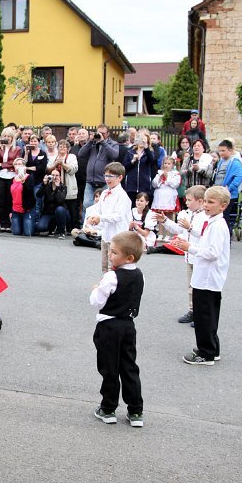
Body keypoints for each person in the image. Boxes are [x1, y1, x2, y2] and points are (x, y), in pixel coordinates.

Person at [170, 186, 231, 365]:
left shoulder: (218, 226)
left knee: (204, 316)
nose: (206, 205)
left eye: (211, 202)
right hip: (206, 276)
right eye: (205, 201)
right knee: (208, 315)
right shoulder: (212, 222)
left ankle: (206, 353)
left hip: (208, 278)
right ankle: (212, 348)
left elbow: (213, 252)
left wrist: (190, 248)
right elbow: (205, 240)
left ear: (223, 206)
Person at [90, 231, 145, 427]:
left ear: (129, 257)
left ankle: (108, 408)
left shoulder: (111, 276)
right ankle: (135, 410)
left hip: (109, 326)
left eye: (114, 252)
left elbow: (97, 302)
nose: (110, 255)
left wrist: (96, 289)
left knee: (109, 368)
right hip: (128, 325)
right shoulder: (139, 275)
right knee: (129, 367)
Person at [154, 185, 208, 326]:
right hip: (189, 256)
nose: (187, 203)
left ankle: (200, 314)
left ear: (200, 201)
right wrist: (165, 221)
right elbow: (178, 229)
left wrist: (190, 227)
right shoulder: (187, 214)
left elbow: (203, 234)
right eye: (186, 200)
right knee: (191, 286)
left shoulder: (206, 216)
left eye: (190, 200)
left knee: (200, 288)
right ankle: (192, 310)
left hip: (200, 256)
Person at [85, 162, 132, 273]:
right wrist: (91, 217)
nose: (107, 179)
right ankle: (105, 282)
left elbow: (118, 216)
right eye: (105, 175)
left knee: (115, 267)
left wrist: (100, 218)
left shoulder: (122, 196)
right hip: (106, 235)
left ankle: (115, 283)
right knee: (105, 265)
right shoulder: (104, 193)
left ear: (120, 177)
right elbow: (98, 209)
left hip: (118, 236)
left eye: (111, 176)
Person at [80, 125, 119, 210]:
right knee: (87, 205)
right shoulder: (93, 143)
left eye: (103, 133)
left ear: (108, 133)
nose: (100, 135)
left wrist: (103, 142)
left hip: (105, 181)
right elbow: (81, 154)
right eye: (99, 133)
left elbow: (114, 155)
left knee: (104, 206)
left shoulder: (113, 144)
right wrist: (90, 141)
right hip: (90, 180)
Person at [0, 127, 22, 232]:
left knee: (9, 200)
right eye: (5, 136)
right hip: (0, 176)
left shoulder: (17, 149)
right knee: (1, 201)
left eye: (9, 136)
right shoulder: (0, 148)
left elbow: (15, 162)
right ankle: (3, 224)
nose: (7, 138)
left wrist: (2, 165)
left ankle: (9, 224)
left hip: (11, 176)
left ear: (12, 137)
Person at [213, 140, 242, 234]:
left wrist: (229, 188)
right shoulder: (221, 161)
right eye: (220, 151)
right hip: (218, 192)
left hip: (228, 194)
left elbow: (240, 176)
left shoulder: (235, 162)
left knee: (225, 216)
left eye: (223, 151)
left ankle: (227, 235)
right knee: (219, 215)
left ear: (230, 151)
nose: (221, 153)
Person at [47, 139, 79, 230]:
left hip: (68, 186)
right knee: (57, 207)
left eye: (64, 147)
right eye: (60, 146)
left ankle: (71, 228)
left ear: (68, 149)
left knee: (71, 207)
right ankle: (57, 227)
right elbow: (48, 170)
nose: (62, 148)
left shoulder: (72, 157)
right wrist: (55, 164)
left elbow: (73, 169)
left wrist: (63, 164)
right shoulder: (54, 157)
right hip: (56, 187)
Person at [123, 133, 156, 207]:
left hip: (144, 185)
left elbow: (151, 161)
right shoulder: (130, 152)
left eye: (144, 140)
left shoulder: (149, 152)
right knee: (131, 206)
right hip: (131, 185)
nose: (142, 141)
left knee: (143, 207)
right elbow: (124, 167)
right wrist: (132, 161)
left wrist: (146, 148)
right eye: (140, 139)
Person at [36, 168, 69, 239]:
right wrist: (44, 184)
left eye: (57, 175)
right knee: (40, 227)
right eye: (53, 175)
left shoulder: (63, 187)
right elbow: (38, 195)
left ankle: (61, 231)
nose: (55, 177)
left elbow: (60, 201)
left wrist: (57, 187)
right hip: (48, 212)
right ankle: (51, 227)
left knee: (60, 209)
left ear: (60, 177)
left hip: (61, 213)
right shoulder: (47, 185)